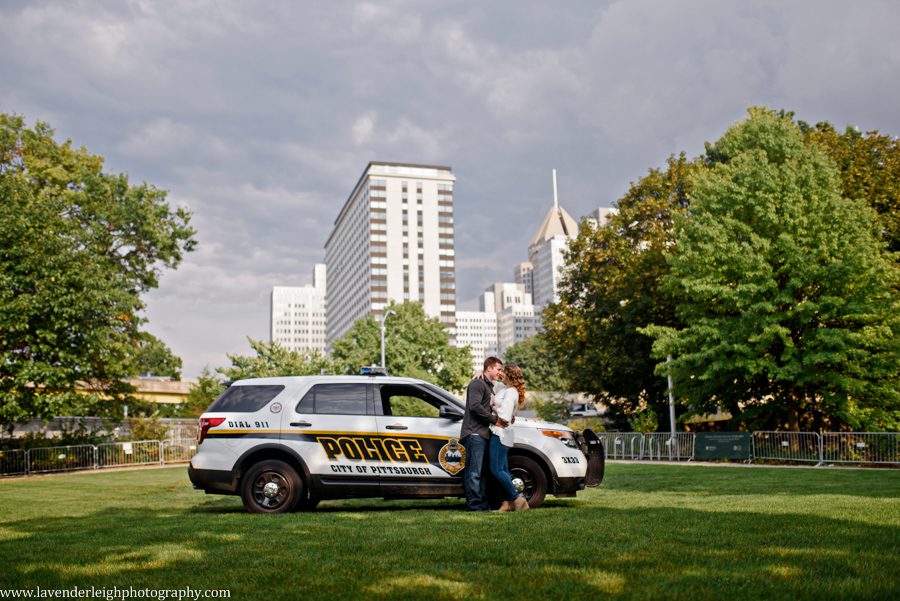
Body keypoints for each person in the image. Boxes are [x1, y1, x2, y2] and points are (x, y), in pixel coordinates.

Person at [460, 356, 507, 511]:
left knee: (482, 472)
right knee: (474, 472)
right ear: (489, 368)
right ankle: (474, 506)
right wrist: (494, 419)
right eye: (498, 369)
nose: (500, 372)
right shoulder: (477, 383)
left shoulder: (490, 386)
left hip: (483, 434)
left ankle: (483, 503)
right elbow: (474, 406)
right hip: (474, 433)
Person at [489, 364, 529, 511]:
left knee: (496, 470)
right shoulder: (505, 389)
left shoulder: (511, 392)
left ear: (509, 375)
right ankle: (506, 503)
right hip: (503, 433)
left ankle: (517, 499)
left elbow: (504, 417)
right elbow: (492, 383)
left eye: (502, 372)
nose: (500, 374)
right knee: (503, 470)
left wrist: (492, 406)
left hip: (500, 433)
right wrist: (482, 371)